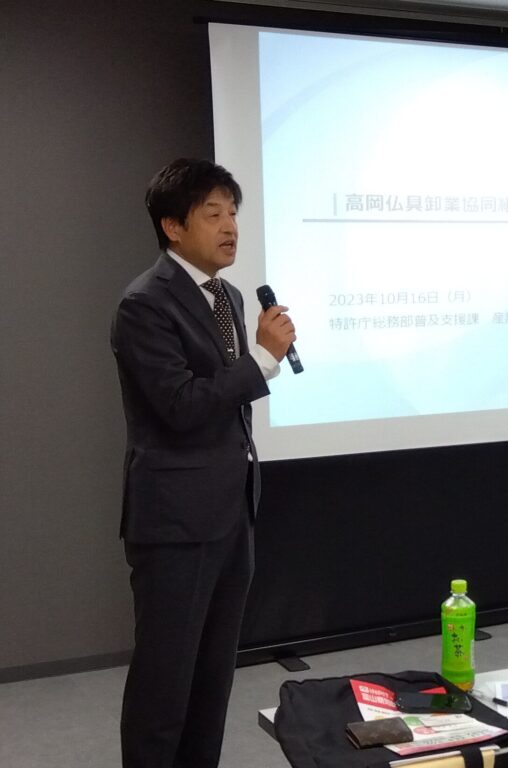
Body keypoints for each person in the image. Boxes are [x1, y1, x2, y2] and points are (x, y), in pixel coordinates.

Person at [111, 158, 296, 768]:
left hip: (231, 511)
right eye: (212, 213)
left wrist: (257, 361)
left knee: (211, 683)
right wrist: (263, 360)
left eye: (233, 212)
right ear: (172, 226)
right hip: (176, 523)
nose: (230, 226)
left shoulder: (227, 295)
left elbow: (226, 402)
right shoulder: (145, 304)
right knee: (164, 686)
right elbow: (181, 406)